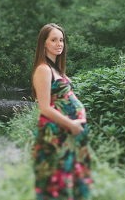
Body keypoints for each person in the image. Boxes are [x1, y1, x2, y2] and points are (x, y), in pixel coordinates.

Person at [31, 23, 92, 200]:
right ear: (44, 43)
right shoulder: (43, 69)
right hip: (55, 135)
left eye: (61, 40)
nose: (59, 44)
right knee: (56, 187)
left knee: (71, 184)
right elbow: (44, 107)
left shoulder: (57, 70)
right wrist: (71, 124)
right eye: (54, 40)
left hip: (68, 136)